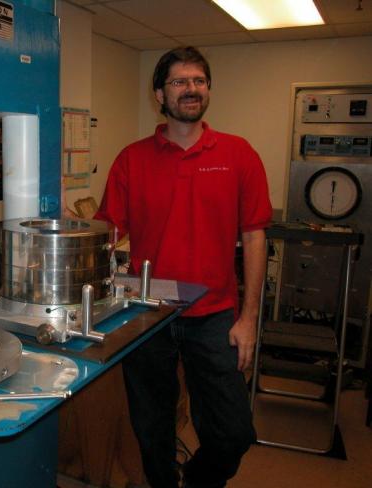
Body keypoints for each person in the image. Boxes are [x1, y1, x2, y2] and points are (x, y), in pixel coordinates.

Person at [94, 46, 272, 488]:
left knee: (233, 433)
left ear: (208, 89)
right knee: (151, 428)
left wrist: (249, 318)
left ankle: (195, 480)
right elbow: (106, 232)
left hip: (214, 316)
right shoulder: (132, 159)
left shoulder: (238, 154)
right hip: (147, 315)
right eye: (179, 81)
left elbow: (255, 237)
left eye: (199, 81)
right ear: (160, 94)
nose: (191, 89)